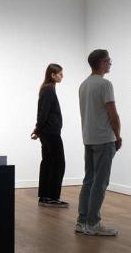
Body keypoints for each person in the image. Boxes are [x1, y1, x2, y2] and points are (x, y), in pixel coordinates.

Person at [77, 49, 121, 237]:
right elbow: (112, 113)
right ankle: (93, 223)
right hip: (104, 139)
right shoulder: (105, 84)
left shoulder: (84, 84)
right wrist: (117, 136)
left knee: (89, 180)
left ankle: (82, 221)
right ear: (102, 63)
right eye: (109, 61)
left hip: (89, 138)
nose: (110, 63)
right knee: (100, 182)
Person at [31, 63, 67, 208]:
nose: (62, 76)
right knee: (58, 163)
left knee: (48, 162)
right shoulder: (48, 90)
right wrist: (38, 130)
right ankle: (52, 197)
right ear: (52, 75)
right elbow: (43, 112)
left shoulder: (48, 89)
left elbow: (42, 112)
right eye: (60, 74)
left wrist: (38, 130)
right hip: (50, 133)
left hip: (48, 132)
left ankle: (45, 196)